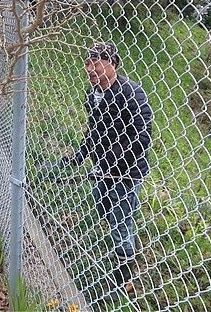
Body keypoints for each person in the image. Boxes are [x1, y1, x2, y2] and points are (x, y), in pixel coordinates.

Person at [58, 42, 152, 270]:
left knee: (120, 220)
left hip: (126, 172)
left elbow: (142, 137)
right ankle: (128, 241)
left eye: (96, 63)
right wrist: (78, 157)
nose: (90, 69)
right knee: (104, 209)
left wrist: (110, 163)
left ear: (113, 64)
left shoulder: (132, 93)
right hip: (102, 169)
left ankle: (124, 269)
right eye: (87, 63)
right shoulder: (93, 94)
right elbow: (93, 131)